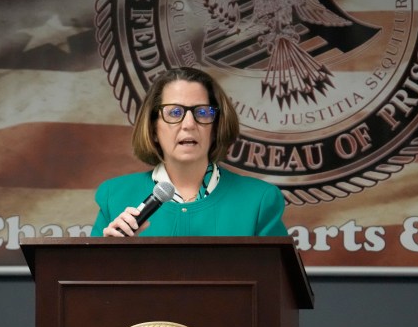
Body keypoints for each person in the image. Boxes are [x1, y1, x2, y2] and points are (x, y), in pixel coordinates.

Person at [91, 66, 288, 237]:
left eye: (202, 112)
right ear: (153, 128)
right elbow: (90, 277)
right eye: (174, 113)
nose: (189, 124)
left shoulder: (259, 199)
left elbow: (273, 278)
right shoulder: (115, 195)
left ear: (216, 127)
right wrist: (111, 255)